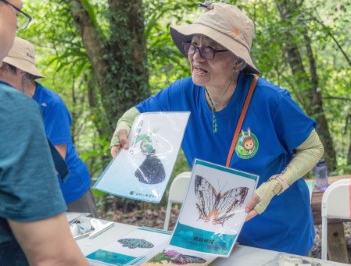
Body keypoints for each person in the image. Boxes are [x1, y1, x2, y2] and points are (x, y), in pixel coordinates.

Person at [110, 3, 324, 256]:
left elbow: (313, 148)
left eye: (210, 49)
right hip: (214, 231)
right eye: (194, 45)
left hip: (279, 234)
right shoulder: (182, 92)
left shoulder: (271, 101)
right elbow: (136, 113)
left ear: (237, 62)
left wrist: (275, 185)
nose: (197, 56)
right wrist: (122, 127)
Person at [0, 0, 89, 265]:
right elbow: (56, 259)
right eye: (17, 13)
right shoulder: (3, 108)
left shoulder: (50, 103)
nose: (17, 24)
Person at [0, 37, 98, 217]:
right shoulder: (5, 103)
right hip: (34, 195)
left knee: (86, 243)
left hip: (70, 191)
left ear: (21, 71)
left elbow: (56, 161)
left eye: (2, 66)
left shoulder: (51, 104)